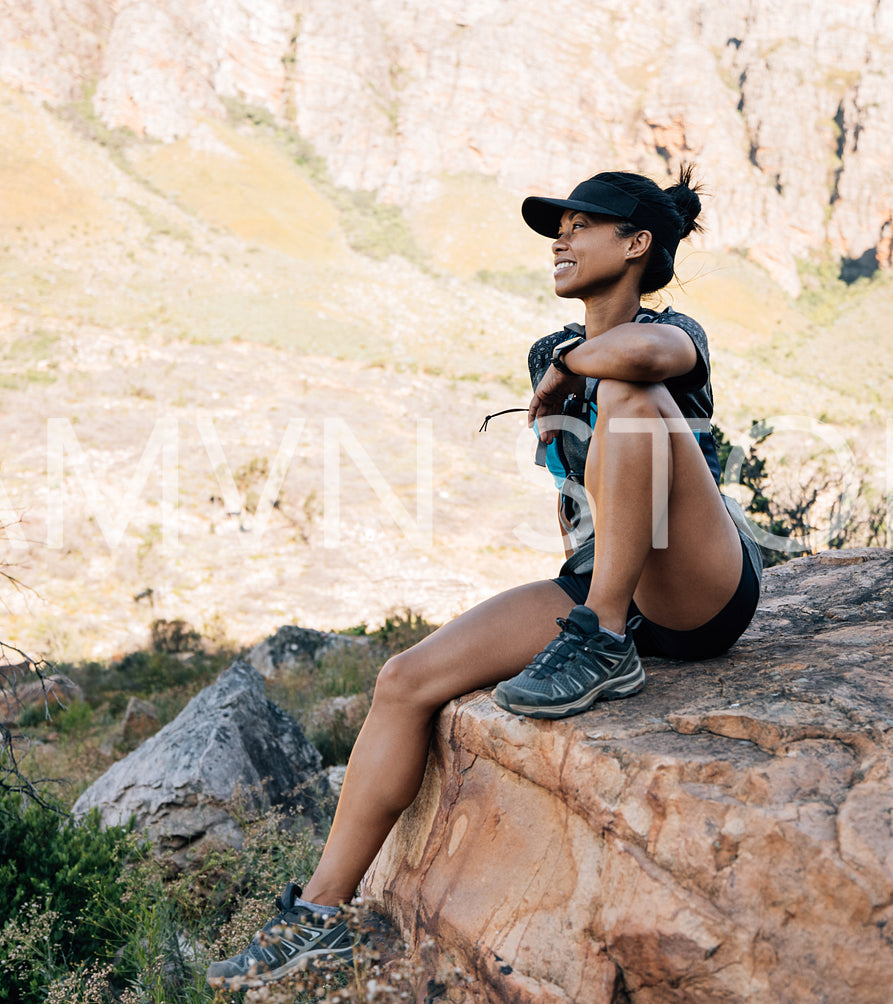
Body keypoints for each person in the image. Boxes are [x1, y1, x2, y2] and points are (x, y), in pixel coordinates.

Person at [206, 167, 762, 987]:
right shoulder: (550, 353)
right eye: (556, 228)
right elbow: (571, 499)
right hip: (596, 574)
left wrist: (577, 367)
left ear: (638, 243)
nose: (560, 240)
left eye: (583, 225)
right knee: (404, 679)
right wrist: (567, 368)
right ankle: (321, 914)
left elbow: (643, 358)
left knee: (632, 396)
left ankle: (603, 640)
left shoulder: (674, 331)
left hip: (695, 585)